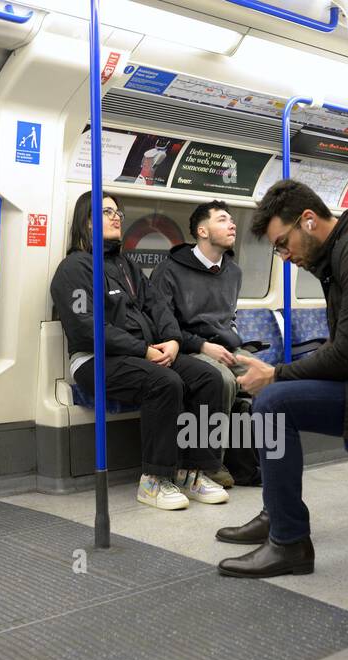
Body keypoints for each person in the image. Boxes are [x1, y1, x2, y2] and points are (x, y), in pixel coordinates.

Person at [215, 179, 348, 577]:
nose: (284, 257)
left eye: (284, 243)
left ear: (309, 220)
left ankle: (289, 544)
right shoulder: (336, 258)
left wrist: (276, 374)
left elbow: (346, 356)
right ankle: (277, 514)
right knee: (275, 396)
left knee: (272, 402)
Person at [50, 191, 229, 510]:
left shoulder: (127, 266)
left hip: (141, 356)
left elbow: (157, 306)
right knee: (164, 381)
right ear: (87, 222)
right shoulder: (74, 269)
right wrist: (144, 350)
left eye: (118, 211)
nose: (116, 216)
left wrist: (172, 340)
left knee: (207, 377)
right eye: (106, 212)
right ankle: (154, 481)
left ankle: (192, 472)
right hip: (97, 361)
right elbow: (87, 328)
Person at [150, 200, 258, 488]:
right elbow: (164, 326)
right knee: (221, 380)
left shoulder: (233, 272)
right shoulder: (169, 271)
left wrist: (229, 343)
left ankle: (249, 462)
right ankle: (210, 463)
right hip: (188, 348)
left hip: (226, 346)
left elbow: (228, 317)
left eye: (232, 220)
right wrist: (201, 346)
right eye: (222, 220)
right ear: (202, 231)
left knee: (266, 375)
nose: (232, 224)